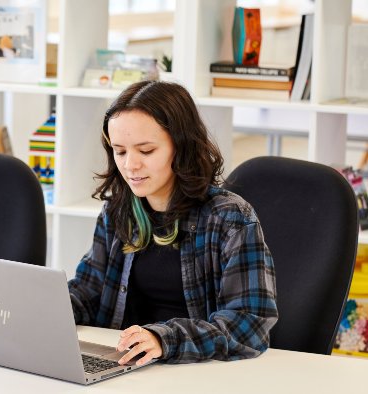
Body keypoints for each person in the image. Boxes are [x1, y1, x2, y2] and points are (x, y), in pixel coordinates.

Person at [68, 81, 278, 366]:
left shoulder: (230, 218)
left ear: (181, 147)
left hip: (199, 372)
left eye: (146, 151)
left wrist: (164, 339)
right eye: (120, 151)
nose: (130, 165)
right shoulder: (118, 210)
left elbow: (250, 321)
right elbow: (88, 290)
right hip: (128, 365)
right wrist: (51, 309)